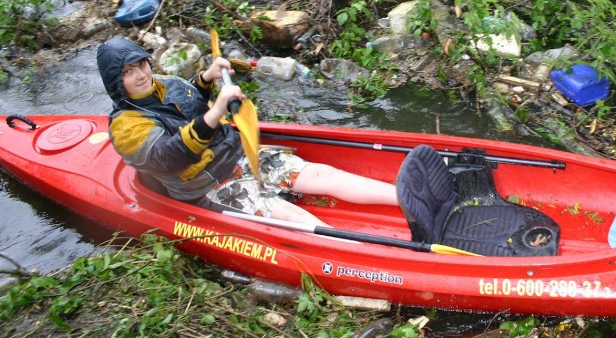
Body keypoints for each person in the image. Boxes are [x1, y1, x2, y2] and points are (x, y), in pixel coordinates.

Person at [96, 37, 399, 226]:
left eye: (141, 65)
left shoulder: (162, 81)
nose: (140, 75)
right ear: (115, 82)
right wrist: (216, 112)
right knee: (285, 215)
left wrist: (206, 79)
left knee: (322, 176)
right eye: (128, 72)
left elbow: (188, 99)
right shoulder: (126, 127)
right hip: (207, 184)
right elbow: (170, 157)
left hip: (240, 156)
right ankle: (356, 248)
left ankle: (404, 197)